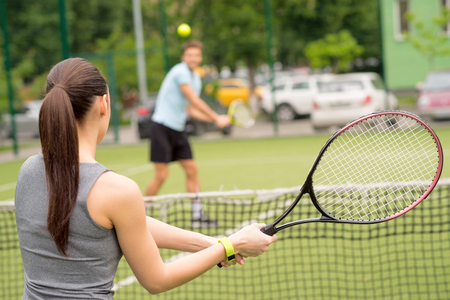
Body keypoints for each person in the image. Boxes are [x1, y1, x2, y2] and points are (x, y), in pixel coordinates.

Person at [14, 58, 277, 299]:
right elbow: (157, 280)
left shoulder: (27, 171)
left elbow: (126, 222)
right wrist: (231, 245)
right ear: (104, 104)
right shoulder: (117, 191)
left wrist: (214, 244)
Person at [145, 40, 229, 226]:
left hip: (179, 129)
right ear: (184, 57)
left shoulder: (196, 79)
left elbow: (190, 109)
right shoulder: (180, 72)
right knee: (161, 175)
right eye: (190, 55)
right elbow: (193, 99)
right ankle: (142, 213)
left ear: (200, 58)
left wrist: (215, 121)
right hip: (162, 127)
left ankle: (197, 216)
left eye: (197, 55)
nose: (193, 58)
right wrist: (216, 117)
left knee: (192, 169)